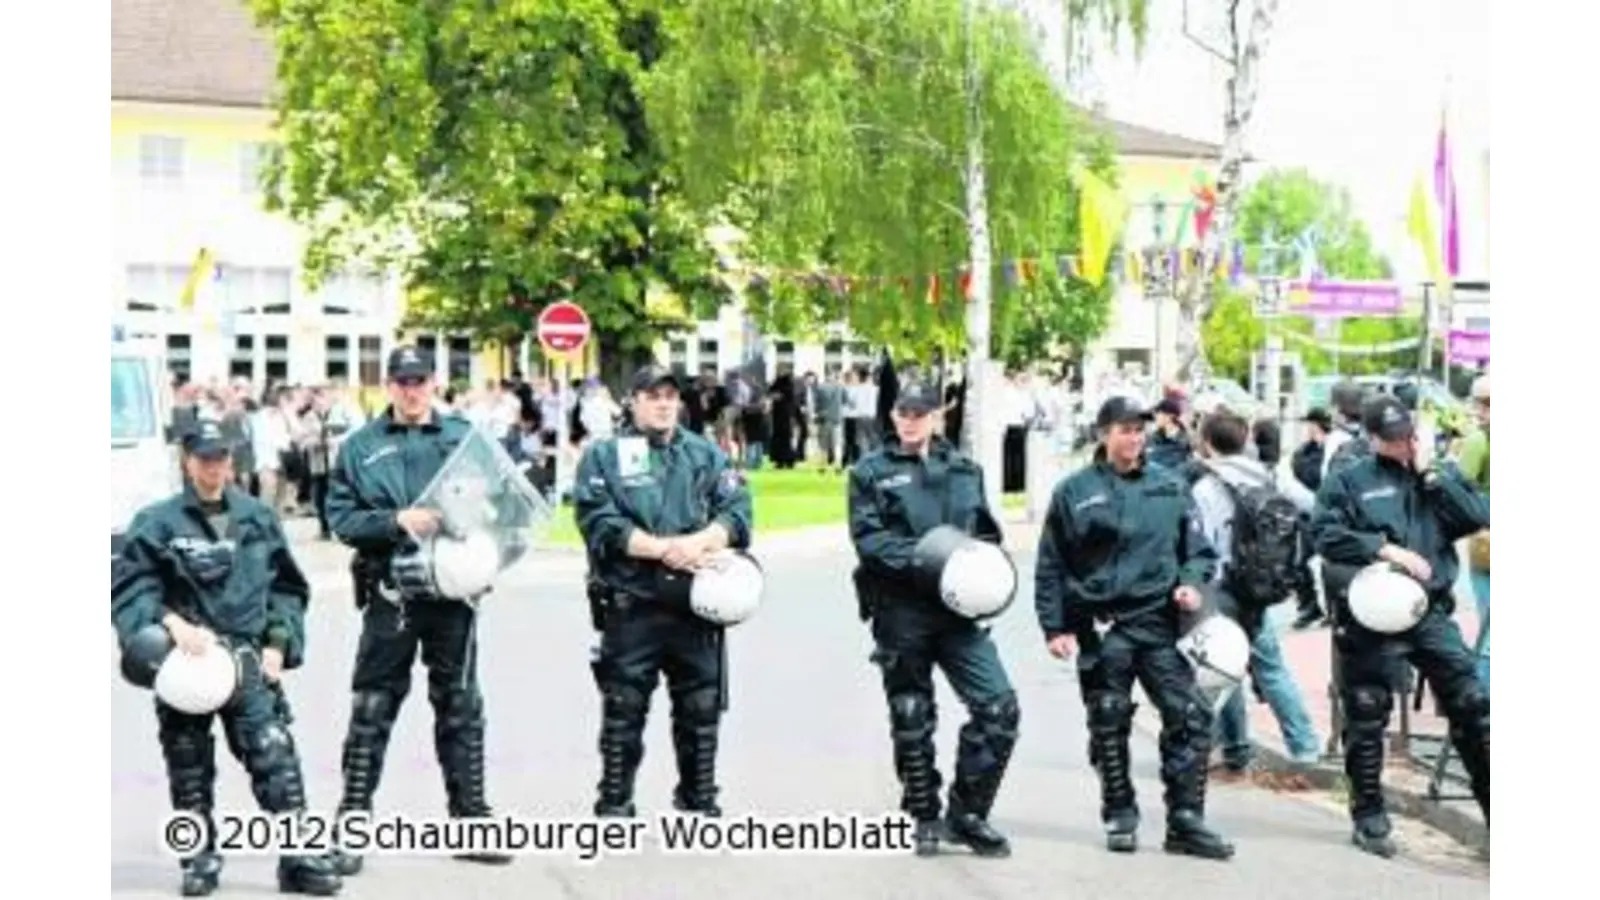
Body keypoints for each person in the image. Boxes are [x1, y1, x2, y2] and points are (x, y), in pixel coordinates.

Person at [111, 421, 342, 897]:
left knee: (274, 753)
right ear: (186, 461)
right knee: (188, 766)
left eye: (220, 457)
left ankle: (298, 856)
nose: (213, 466)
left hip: (246, 658)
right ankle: (199, 859)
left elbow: (287, 587)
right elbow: (129, 589)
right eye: (203, 458)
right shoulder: (156, 523)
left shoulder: (258, 516)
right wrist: (169, 622)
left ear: (231, 461)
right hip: (184, 663)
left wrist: (278, 643)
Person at [322, 346, 510, 876]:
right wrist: (397, 519)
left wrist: (482, 553)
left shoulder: (463, 438)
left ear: (434, 382)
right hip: (391, 595)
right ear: (389, 385)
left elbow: (500, 507)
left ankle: (471, 822)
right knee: (372, 709)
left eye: (420, 380)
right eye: (402, 381)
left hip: (453, 597)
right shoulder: (361, 447)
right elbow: (340, 518)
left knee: (461, 706)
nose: (411, 390)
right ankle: (351, 829)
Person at [1034, 396, 1233, 860]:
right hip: (1102, 628)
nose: (1134, 437)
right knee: (1109, 720)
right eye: (1124, 429)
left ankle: (1185, 820)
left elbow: (1198, 551)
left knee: (1189, 717)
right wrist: (1054, 626)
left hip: (1159, 624)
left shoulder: (1169, 486)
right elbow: (1051, 565)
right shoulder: (1074, 491)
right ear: (1104, 434)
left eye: (1139, 429)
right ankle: (1119, 813)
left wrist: (1190, 584)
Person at [1312, 394, 1490, 857]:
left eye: (1408, 435)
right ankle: (1369, 815)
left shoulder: (1435, 475)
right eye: (1393, 439)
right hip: (1372, 609)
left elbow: (1477, 516)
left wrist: (1432, 474)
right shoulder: (1350, 479)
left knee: (1473, 702)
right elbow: (1324, 535)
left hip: (1427, 612)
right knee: (1367, 712)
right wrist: (1383, 548)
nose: (1404, 444)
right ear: (1373, 439)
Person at [573, 364, 755, 818]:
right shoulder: (604, 456)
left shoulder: (704, 454)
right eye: (652, 395)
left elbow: (737, 511)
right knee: (624, 708)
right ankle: (615, 804)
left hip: (695, 604)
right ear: (632, 401)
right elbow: (600, 522)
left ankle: (698, 800)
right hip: (632, 603)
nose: (663, 403)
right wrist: (660, 549)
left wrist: (699, 542)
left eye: (670, 395)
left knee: (700, 708)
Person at [847, 380, 1019, 858]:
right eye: (904, 411)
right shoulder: (870, 472)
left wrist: (981, 571)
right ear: (893, 415)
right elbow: (871, 542)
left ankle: (966, 815)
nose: (911, 420)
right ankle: (922, 814)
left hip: (959, 612)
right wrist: (935, 560)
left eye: (920, 412)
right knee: (911, 715)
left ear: (936, 415)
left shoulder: (966, 470)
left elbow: (983, 531)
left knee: (999, 709)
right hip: (901, 609)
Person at [1187, 410, 1321, 774]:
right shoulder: (1270, 475)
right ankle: (1306, 747)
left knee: (1221, 665)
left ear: (1207, 441)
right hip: (1261, 587)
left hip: (1220, 588)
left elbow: (1203, 541)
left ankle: (1233, 747)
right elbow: (1312, 506)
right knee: (1272, 670)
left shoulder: (1205, 486)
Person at [1456, 376, 1491, 691]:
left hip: (1488, 542)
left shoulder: (1479, 441)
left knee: (1490, 627)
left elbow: (1459, 491)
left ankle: (1485, 699)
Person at [1289, 408, 1332, 628]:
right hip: (1307, 514)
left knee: (1331, 562)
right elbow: (1299, 471)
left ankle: (1334, 608)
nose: (1308, 428)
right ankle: (1309, 606)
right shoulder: (1304, 452)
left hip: (1330, 513)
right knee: (1298, 562)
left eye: (1311, 424)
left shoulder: (1333, 448)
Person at [1146, 397, 1193, 471]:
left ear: (1169, 416)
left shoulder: (1185, 442)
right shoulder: (1154, 437)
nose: (1155, 417)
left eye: (1158, 413)